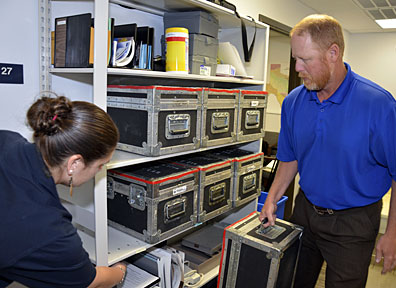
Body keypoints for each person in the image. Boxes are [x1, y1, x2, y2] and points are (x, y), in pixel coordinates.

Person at [259, 14, 396, 288]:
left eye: (305, 59)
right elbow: (289, 156)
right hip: (305, 212)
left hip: (354, 223)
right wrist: (272, 198)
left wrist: (392, 233)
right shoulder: (294, 102)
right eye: (295, 58)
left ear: (333, 52)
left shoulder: (379, 105)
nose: (297, 68)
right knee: (293, 280)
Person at [0, 94, 127, 287]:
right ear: (74, 163)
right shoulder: (47, 229)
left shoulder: (8, 139)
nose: (100, 171)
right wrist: (120, 271)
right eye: (101, 165)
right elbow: (90, 281)